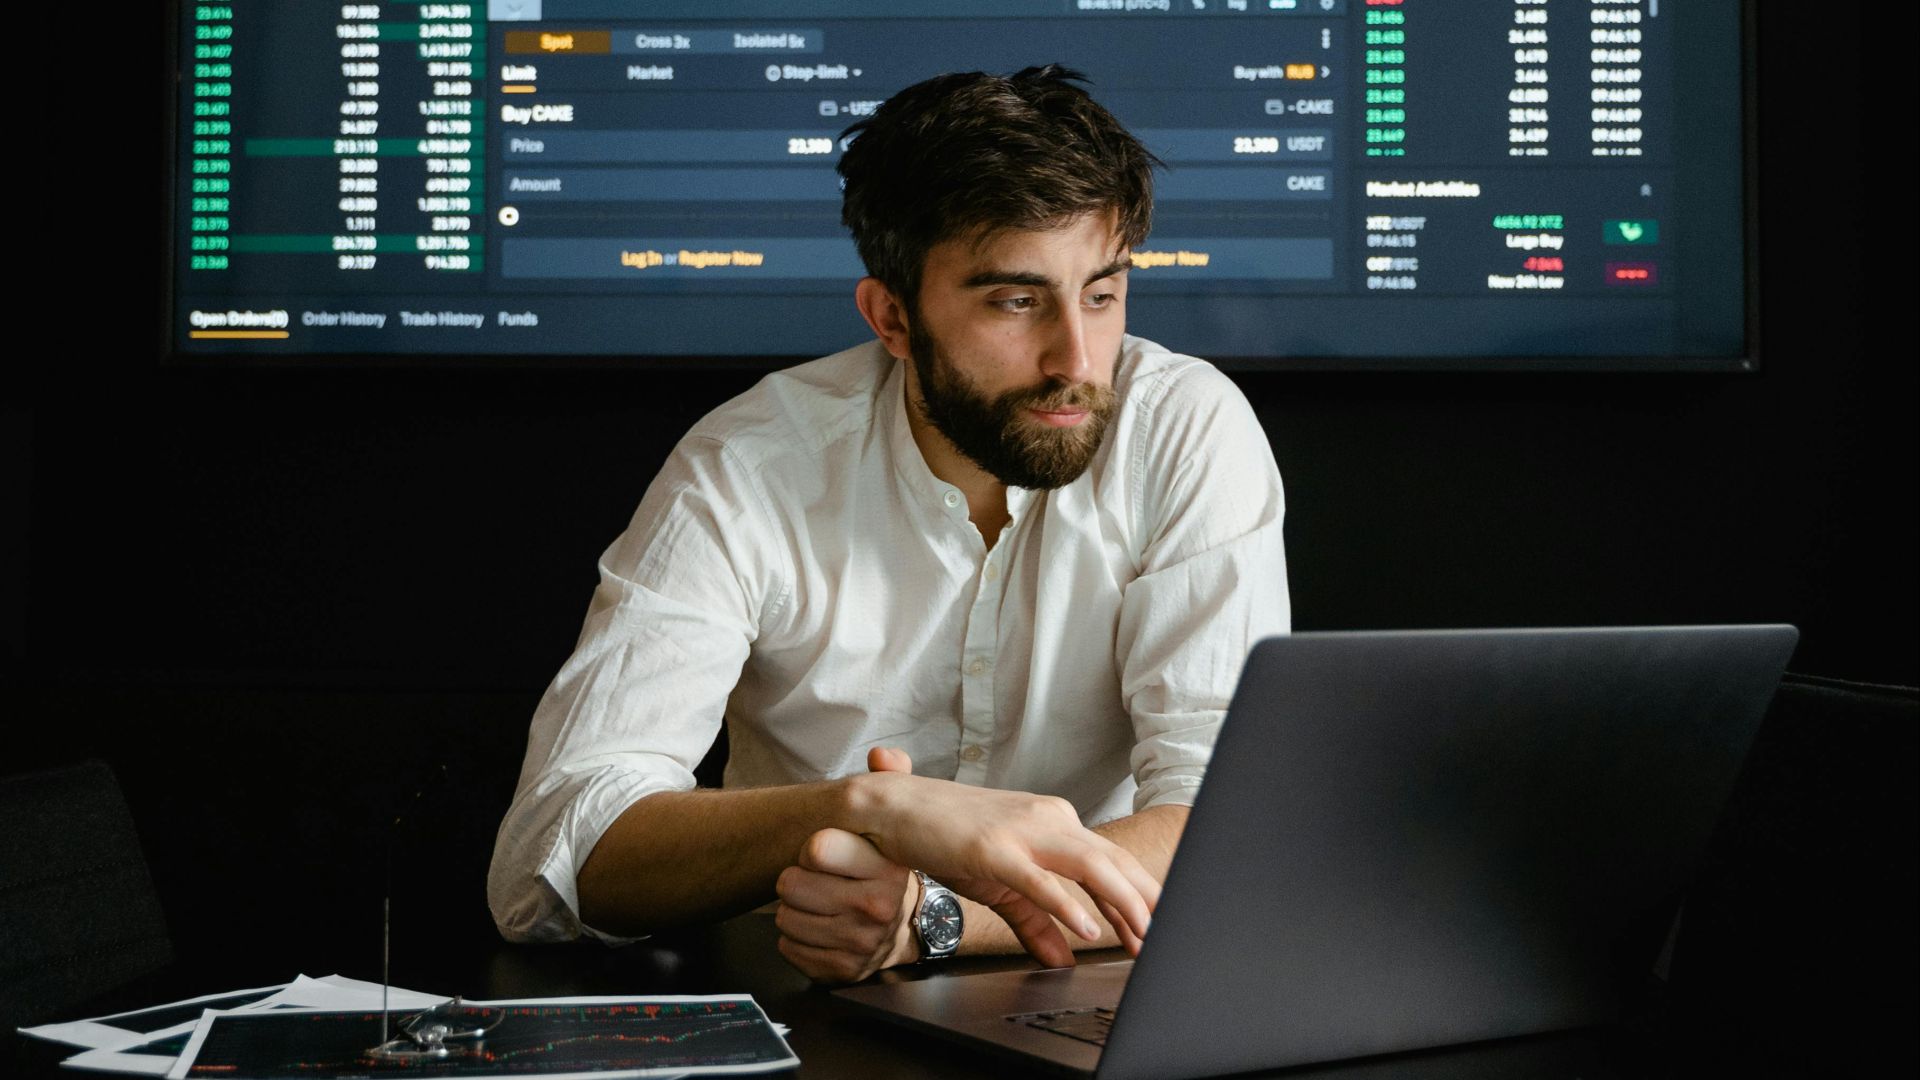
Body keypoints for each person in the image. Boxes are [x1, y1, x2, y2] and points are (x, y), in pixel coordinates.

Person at [487, 65, 1290, 984]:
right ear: (893, 317)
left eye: (1102, 294)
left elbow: (1231, 827)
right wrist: (869, 810)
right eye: (1016, 301)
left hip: (1101, 996)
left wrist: (934, 919)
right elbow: (548, 861)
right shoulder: (748, 466)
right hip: (799, 997)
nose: (1077, 356)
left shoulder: (1185, 428)